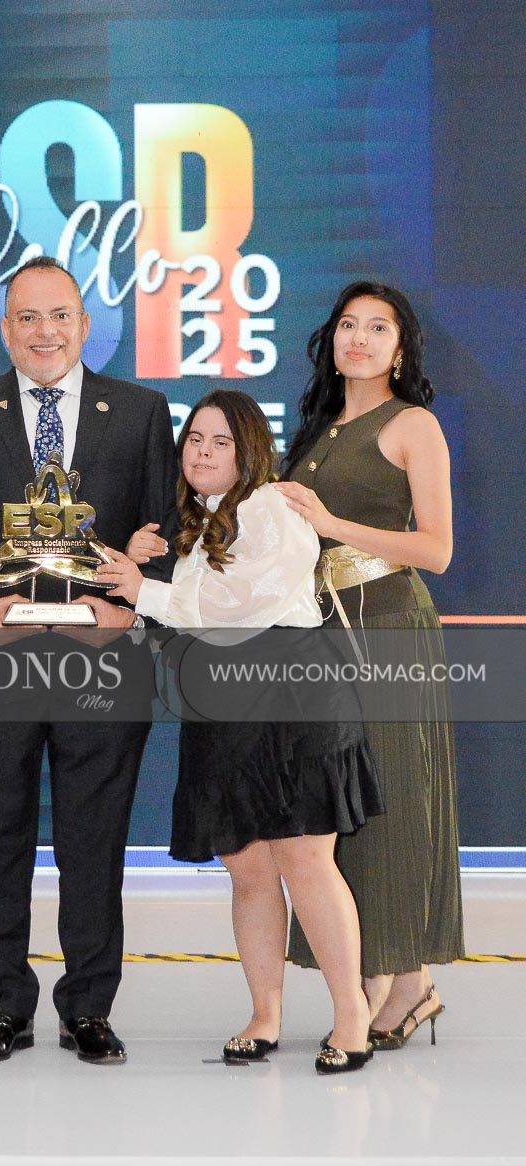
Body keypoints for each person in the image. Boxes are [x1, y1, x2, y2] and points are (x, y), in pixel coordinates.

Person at [0, 256, 177, 1066]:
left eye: (59, 316)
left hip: (102, 662)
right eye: (26, 317)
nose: (44, 332)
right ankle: (3, 1009)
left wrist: (130, 609)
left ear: (85, 325)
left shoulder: (141, 411)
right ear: (4, 329)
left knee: (95, 843)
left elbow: (167, 531)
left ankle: (88, 1008)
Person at [98, 391, 383, 1074]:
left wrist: (144, 590)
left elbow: (239, 606)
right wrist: (142, 572)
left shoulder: (271, 507)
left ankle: (352, 1018)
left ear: (250, 448)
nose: (202, 452)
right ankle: (264, 1014)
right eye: (194, 439)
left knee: (306, 859)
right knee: (248, 869)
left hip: (292, 696)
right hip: (223, 705)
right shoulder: (200, 522)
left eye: (220, 441)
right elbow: (190, 615)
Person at [275, 281, 463, 1048]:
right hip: (321, 631)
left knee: (390, 799)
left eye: (378, 327)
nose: (359, 337)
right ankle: (406, 985)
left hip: (386, 626)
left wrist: (331, 522)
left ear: (401, 348)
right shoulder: (320, 427)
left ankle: (394, 979)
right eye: (348, 324)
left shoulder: (413, 424)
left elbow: (437, 550)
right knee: (339, 807)